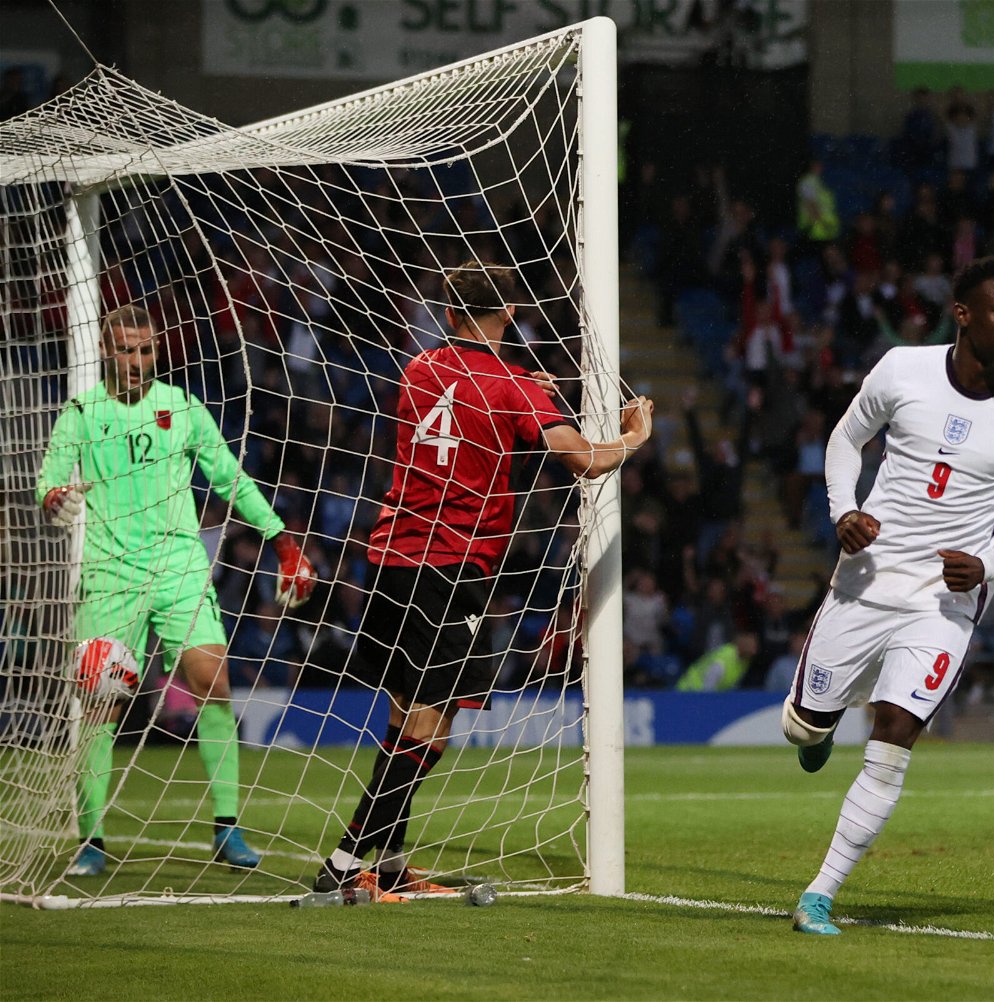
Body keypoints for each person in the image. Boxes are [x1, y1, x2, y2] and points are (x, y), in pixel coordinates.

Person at [312, 262, 653, 898]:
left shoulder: (418, 371)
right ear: (512, 315)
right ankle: (341, 864)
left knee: (403, 717)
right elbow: (583, 461)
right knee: (431, 727)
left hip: (388, 558)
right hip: (451, 566)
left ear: (448, 315)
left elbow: (474, 410)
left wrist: (529, 391)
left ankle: (387, 867)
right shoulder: (514, 386)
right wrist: (633, 437)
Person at [782, 257, 994, 935]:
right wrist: (842, 510)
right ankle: (814, 727)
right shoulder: (901, 370)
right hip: (868, 577)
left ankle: (820, 894)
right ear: (963, 314)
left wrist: (989, 562)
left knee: (896, 732)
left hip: (944, 600)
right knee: (804, 727)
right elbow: (847, 439)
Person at [37, 304, 317, 877]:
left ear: (157, 350)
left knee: (213, 681)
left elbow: (228, 476)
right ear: (106, 350)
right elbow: (51, 479)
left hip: (177, 567)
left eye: (145, 350)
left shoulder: (183, 408)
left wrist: (280, 537)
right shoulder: (81, 414)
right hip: (110, 573)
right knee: (100, 707)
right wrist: (54, 498)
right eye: (125, 350)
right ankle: (91, 839)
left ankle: (227, 827)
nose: (136, 362)